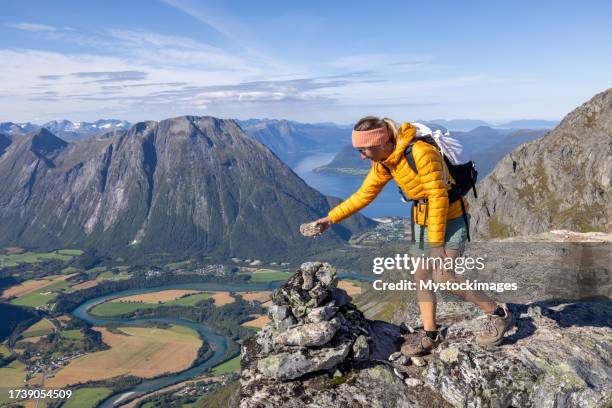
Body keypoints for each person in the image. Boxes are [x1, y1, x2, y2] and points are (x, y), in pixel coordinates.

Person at [309, 116, 514, 355]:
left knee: (444, 278)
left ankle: (499, 315)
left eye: (364, 149)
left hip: (452, 220)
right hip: (423, 222)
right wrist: (330, 218)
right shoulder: (386, 161)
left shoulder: (421, 153)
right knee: (421, 276)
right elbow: (365, 194)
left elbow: (439, 197)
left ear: (381, 142)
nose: (362, 156)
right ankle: (430, 334)